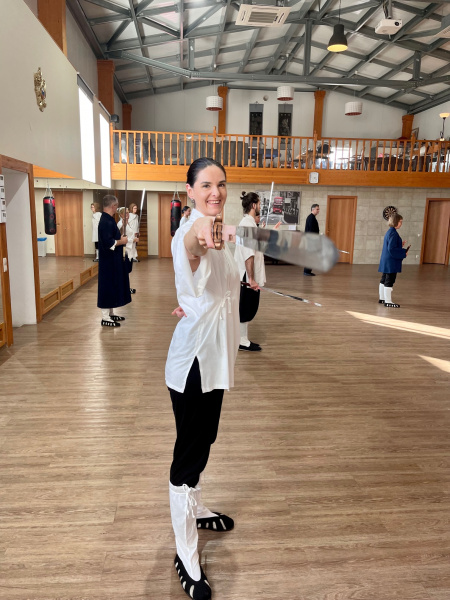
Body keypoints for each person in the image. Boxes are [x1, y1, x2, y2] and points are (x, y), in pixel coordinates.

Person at [165, 157, 240, 600]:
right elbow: (195, 245)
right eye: (206, 185)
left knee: (205, 440)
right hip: (192, 364)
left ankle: (195, 505)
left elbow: (218, 286)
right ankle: (185, 551)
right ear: (190, 190)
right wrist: (201, 235)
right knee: (188, 455)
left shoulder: (224, 235)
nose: (216, 191)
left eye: (222, 184)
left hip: (216, 362)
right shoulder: (192, 232)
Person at [234, 191, 264, 352]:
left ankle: (242, 339)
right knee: (246, 308)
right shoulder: (247, 225)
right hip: (247, 276)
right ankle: (241, 341)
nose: (260, 206)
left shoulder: (250, 224)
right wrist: (251, 279)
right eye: (259, 204)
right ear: (253, 205)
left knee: (247, 307)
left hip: (248, 275)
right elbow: (248, 255)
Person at [97, 195, 131, 327]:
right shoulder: (105, 221)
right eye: (116, 206)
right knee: (107, 286)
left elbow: (113, 237)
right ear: (113, 206)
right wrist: (122, 241)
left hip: (112, 260)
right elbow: (108, 243)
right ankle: (105, 317)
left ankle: (110, 313)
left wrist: (121, 236)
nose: (117, 208)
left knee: (112, 285)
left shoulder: (109, 220)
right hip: (108, 261)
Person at [378, 213, 408, 308]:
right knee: (390, 280)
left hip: (386, 259)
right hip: (391, 261)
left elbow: (391, 246)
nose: (401, 223)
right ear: (395, 222)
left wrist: (400, 245)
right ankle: (388, 301)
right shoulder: (394, 233)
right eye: (400, 221)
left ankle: (382, 298)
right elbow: (392, 249)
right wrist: (404, 252)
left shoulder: (390, 231)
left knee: (384, 279)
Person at [118, 207, 138, 295]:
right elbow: (122, 238)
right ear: (121, 215)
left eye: (128, 213)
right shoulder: (120, 224)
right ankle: (125, 288)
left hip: (130, 250)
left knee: (128, 270)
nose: (127, 215)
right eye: (125, 213)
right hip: (125, 250)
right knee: (125, 270)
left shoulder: (128, 223)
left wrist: (134, 237)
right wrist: (133, 240)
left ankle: (126, 287)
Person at [304, 203, 320, 276]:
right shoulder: (311, 218)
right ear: (313, 209)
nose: (318, 210)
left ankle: (308, 271)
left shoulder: (312, 217)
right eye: (317, 209)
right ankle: (307, 271)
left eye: (318, 209)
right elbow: (310, 231)